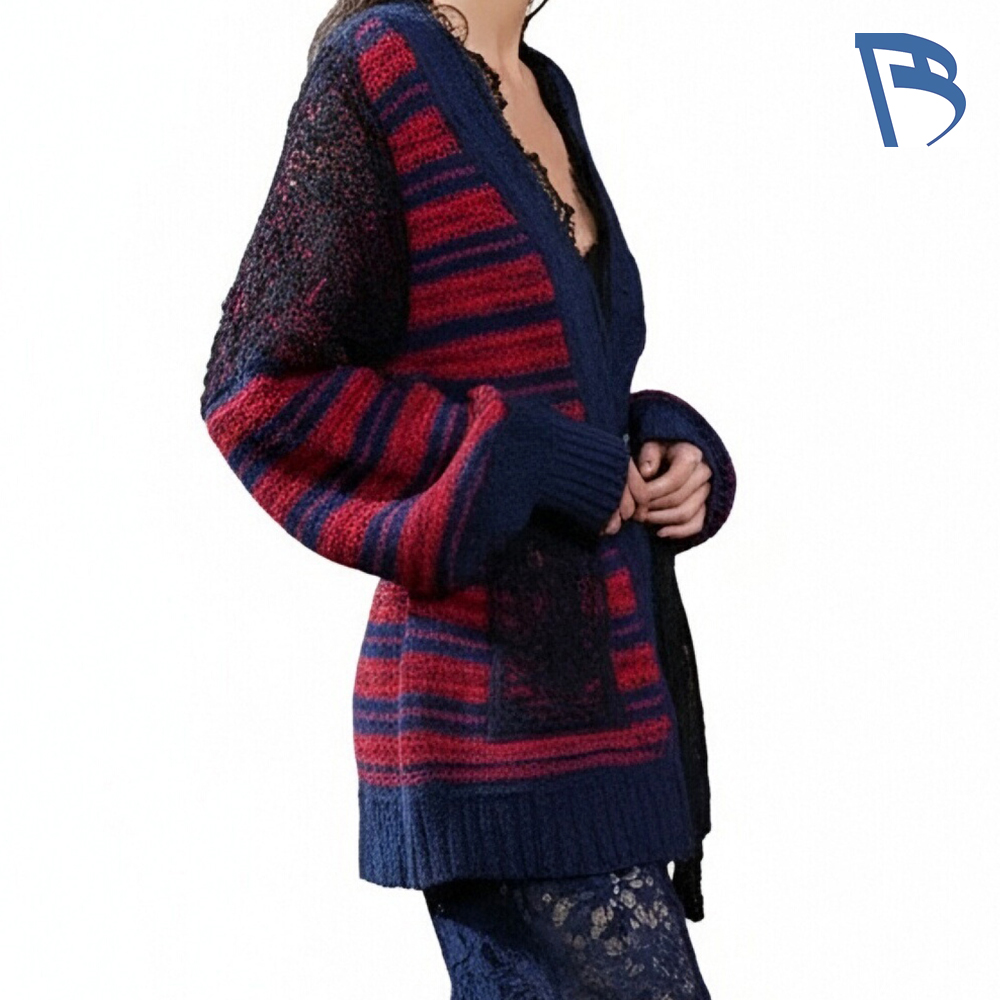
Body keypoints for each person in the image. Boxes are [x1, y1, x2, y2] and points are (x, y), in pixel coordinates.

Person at [199, 1, 737, 995]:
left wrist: (667, 447)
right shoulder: (381, 70)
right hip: (489, 716)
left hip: (616, 707)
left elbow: (565, 381)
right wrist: (523, 457)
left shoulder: (544, 87)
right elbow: (259, 388)